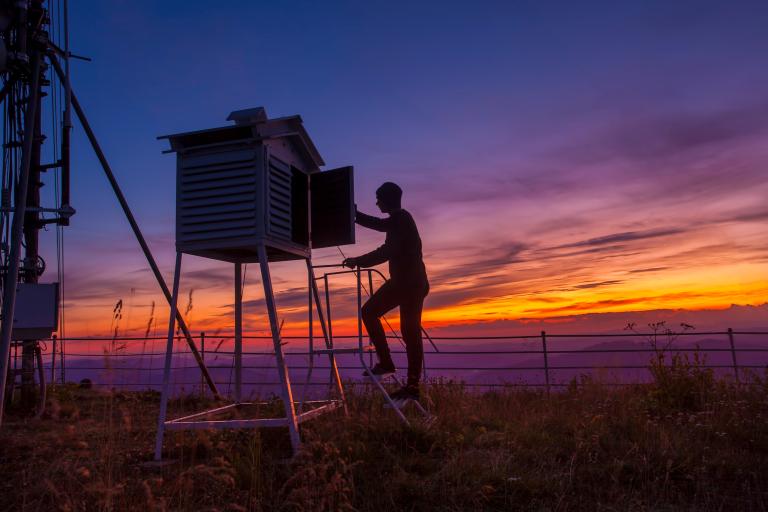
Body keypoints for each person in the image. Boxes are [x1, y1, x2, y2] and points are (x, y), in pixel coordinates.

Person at [342, 182, 429, 401]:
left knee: (371, 313)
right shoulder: (400, 220)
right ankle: (409, 382)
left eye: (378, 198)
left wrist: (357, 261)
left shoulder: (400, 219)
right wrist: (356, 216)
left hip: (407, 284)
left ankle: (391, 367)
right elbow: (382, 227)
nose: (376, 202)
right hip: (411, 283)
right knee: (408, 331)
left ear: (387, 199)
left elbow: (387, 250)